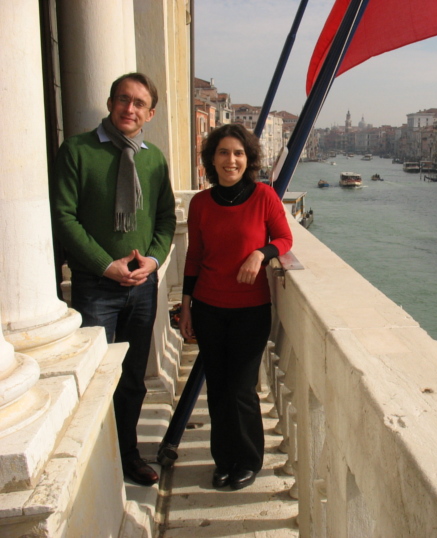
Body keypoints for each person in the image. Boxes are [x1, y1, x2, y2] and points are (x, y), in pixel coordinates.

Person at [51, 73, 176, 487]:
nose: (130, 108)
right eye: (124, 99)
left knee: (132, 379)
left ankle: (126, 454)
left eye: (140, 103)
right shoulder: (77, 151)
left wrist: (153, 261)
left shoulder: (155, 159)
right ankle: (94, 463)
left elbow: (165, 220)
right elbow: (64, 216)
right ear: (109, 102)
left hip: (142, 288)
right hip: (95, 287)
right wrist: (105, 265)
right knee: (95, 377)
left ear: (150, 113)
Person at [179, 124, 292, 490]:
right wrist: (186, 304)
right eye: (224, 153)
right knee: (218, 388)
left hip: (250, 309)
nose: (232, 160)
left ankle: (247, 460)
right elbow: (194, 257)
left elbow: (284, 238)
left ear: (249, 159)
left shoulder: (263, 196)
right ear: (213, 159)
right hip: (209, 307)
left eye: (239, 153)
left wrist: (260, 254)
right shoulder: (200, 203)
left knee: (241, 388)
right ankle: (223, 459)